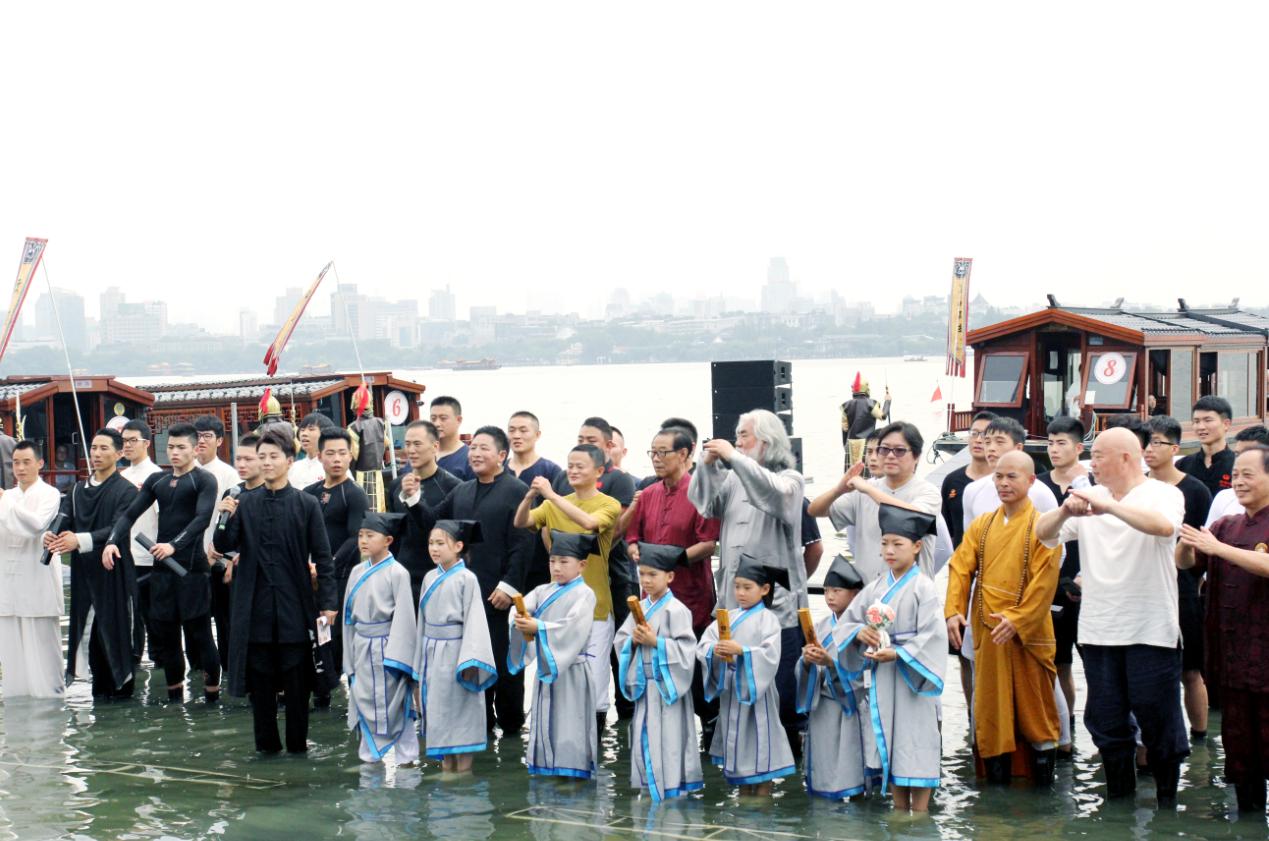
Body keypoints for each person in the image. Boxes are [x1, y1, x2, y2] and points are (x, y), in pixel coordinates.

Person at [1036, 427, 1188, 807]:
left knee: (1159, 722)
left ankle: (1167, 802)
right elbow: (1042, 534)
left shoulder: (1164, 493)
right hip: (1099, 630)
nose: (1092, 462)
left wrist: (1109, 507)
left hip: (1151, 629)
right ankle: (1118, 800)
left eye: (1099, 454)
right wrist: (1063, 510)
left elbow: (1164, 528)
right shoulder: (1090, 495)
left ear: (1126, 457)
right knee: (1106, 721)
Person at [689, 409, 808, 754]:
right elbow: (704, 505)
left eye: (744, 436)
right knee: (734, 683)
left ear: (767, 442)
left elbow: (774, 496)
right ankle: (740, 755)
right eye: (736, 436)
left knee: (781, 693)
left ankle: (787, 757)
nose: (738, 442)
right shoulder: (734, 478)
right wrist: (708, 465)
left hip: (777, 606)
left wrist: (732, 457)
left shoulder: (791, 479)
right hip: (733, 599)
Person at [213, 427, 337, 754]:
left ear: (289, 460)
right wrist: (224, 517)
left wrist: (328, 605)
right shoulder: (244, 502)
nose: (266, 463)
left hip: (295, 609)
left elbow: (324, 558)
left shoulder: (306, 504)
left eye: (272, 457)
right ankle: (266, 753)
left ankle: (298, 751)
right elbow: (223, 544)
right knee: (261, 695)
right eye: (261, 457)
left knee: (298, 693)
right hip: (254, 612)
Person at [406, 425, 534, 737]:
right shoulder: (462, 490)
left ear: (502, 455)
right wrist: (412, 499)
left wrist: (509, 586)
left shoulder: (516, 491)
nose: (475, 454)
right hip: (464, 594)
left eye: (484, 448)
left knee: (504, 664)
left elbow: (524, 544)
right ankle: (482, 724)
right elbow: (434, 526)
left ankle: (513, 725)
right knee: (473, 659)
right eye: (473, 447)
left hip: (498, 595)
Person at [946, 452, 1063, 785]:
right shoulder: (983, 525)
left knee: (1035, 712)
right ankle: (995, 793)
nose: (1003, 483)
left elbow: (1045, 581)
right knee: (990, 712)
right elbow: (960, 566)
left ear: (1031, 481)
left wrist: (1019, 618)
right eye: (998, 477)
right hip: (989, 631)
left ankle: (1043, 790)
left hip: (1028, 634)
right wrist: (954, 610)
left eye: (1012, 477)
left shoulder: (1040, 525)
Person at [1177, 445, 1269, 817]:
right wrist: (1186, 545)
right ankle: (1248, 815)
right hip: (1232, 658)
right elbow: (1187, 562)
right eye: (1238, 474)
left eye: (1250, 474)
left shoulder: (1227, 535)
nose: (1240, 482)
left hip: (1265, 658)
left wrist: (1217, 548)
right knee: (1239, 749)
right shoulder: (1226, 524)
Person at [838, 504, 947, 813]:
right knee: (892, 739)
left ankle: (921, 811)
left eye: (897, 544)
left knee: (916, 737)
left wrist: (898, 653)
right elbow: (848, 622)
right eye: (884, 542)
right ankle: (899, 808)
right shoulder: (876, 586)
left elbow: (933, 636)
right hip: (883, 676)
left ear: (916, 547)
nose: (889, 550)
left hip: (912, 676)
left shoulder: (923, 587)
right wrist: (860, 633)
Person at [104, 423, 220, 704]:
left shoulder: (204, 480)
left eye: (181, 447)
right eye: (171, 447)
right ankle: (175, 700)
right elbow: (129, 515)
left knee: (200, 635)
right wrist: (111, 540)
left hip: (191, 569)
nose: (175, 452)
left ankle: (212, 699)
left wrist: (173, 545)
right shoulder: (158, 481)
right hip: (162, 573)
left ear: (195, 449)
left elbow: (201, 519)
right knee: (167, 639)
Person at [516, 443, 621, 732]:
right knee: (556, 674)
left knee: (595, 679)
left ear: (599, 471)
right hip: (557, 609)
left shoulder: (608, 504)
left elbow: (589, 522)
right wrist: (530, 497)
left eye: (580, 466)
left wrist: (550, 495)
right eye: (569, 466)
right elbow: (522, 521)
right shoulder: (551, 504)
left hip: (596, 607)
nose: (572, 471)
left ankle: (594, 744)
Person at [625, 426, 720, 739]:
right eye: (652, 452)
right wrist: (635, 549)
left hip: (691, 596)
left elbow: (708, 543)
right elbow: (632, 537)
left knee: (689, 662)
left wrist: (671, 561)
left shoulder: (700, 493)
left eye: (663, 452)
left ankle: (708, 722)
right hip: (652, 598)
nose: (656, 459)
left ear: (684, 454)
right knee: (652, 659)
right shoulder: (648, 493)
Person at [47, 429, 139, 700]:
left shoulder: (127, 491)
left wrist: (80, 540)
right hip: (84, 576)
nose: (96, 454)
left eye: (103, 448)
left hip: (115, 575)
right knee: (93, 645)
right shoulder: (77, 490)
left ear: (119, 453)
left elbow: (117, 528)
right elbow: (64, 519)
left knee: (118, 639)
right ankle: (101, 705)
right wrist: (50, 536)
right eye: (94, 448)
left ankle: (124, 706)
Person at [697, 558, 796, 796]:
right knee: (740, 750)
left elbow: (770, 654)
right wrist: (715, 651)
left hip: (757, 692)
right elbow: (704, 645)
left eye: (747, 587)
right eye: (737, 586)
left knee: (761, 749)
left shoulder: (769, 619)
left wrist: (742, 651)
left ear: (764, 589)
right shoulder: (727, 618)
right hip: (732, 693)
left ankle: (762, 796)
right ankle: (743, 794)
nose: (740, 593)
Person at [613, 543, 704, 802]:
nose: (646, 580)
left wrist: (657, 643)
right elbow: (620, 641)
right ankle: (650, 789)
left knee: (670, 742)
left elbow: (688, 650)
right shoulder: (638, 609)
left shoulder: (677, 610)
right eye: (642, 574)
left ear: (670, 577)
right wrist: (632, 641)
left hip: (668, 689)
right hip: (645, 688)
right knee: (646, 739)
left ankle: (673, 790)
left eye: (653, 574)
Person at [508, 530, 600, 781]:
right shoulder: (542, 591)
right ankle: (549, 768)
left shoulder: (585, 594)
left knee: (570, 723)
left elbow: (573, 628)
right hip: (548, 668)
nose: (556, 567)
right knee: (548, 720)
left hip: (573, 670)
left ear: (581, 565)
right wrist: (519, 618)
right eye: (552, 561)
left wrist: (538, 627)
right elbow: (521, 608)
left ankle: (573, 774)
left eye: (564, 562)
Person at [1144, 416, 1212, 743]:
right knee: (1151, 672)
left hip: (1182, 585)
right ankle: (1153, 741)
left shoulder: (1194, 490)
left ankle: (1200, 739)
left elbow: (1199, 544)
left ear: (1174, 447)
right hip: (1142, 587)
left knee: (1191, 670)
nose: (1148, 449)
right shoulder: (1136, 487)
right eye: (1144, 442)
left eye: (1156, 442)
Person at [810, 421, 942, 582]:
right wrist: (838, 490)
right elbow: (814, 510)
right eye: (884, 449)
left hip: (911, 595)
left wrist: (868, 489)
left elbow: (911, 515)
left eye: (899, 451)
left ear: (916, 456)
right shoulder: (863, 490)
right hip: (868, 594)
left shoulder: (927, 491)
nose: (890, 456)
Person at [415, 519, 497, 771]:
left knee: (461, 708)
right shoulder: (429, 577)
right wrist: (418, 664)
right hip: (432, 651)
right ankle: (446, 765)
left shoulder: (466, 578)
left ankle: (463, 769)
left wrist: (471, 660)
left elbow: (475, 621)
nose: (434, 548)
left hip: (457, 652)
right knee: (439, 711)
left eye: (441, 543)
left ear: (459, 546)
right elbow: (422, 623)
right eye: (431, 543)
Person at [342, 511, 418, 765]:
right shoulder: (355, 572)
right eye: (361, 536)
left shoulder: (398, 573)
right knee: (364, 701)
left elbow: (405, 618)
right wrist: (349, 656)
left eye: (370, 536)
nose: (363, 541)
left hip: (388, 648)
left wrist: (401, 661)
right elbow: (348, 619)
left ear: (387, 540)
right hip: (363, 645)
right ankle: (369, 759)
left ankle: (407, 760)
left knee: (398, 705)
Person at [305, 427, 369, 709]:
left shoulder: (353, 494)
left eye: (342, 453)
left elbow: (355, 537)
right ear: (319, 456)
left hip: (341, 576)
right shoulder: (310, 493)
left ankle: (337, 688)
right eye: (330, 453)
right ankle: (319, 689)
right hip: (311, 575)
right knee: (314, 634)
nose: (336, 459)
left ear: (351, 456)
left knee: (336, 636)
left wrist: (326, 566)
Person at [795, 554, 867, 800]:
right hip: (822, 704)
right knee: (823, 764)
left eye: (837, 590)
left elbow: (862, 673)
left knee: (849, 762)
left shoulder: (862, 629)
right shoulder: (821, 626)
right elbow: (804, 670)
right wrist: (806, 661)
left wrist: (831, 665)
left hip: (847, 706)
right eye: (826, 591)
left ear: (855, 594)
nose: (829, 597)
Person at [0, 441, 65, 698]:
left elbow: (36, 525)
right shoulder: (9, 496)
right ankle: (16, 705)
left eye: (27, 462)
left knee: (44, 653)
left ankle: (51, 702)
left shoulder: (49, 494)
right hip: (7, 581)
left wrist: (4, 502)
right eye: (16, 462)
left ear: (40, 463)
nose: (21, 468)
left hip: (37, 579)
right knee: (11, 655)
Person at [1036, 416, 1090, 725]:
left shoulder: (1092, 484)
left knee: (1094, 662)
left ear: (1078, 447)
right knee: (1059, 661)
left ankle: (1099, 728)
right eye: (1050, 443)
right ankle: (1064, 721)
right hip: (1049, 580)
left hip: (1086, 581)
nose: (1054, 449)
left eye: (1061, 443)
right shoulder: (1039, 482)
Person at [386, 420, 462, 603]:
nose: (411, 450)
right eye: (408, 444)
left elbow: (437, 528)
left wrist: (413, 499)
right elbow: (393, 533)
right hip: (402, 574)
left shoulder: (453, 486)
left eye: (417, 444)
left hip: (438, 576)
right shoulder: (396, 485)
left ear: (435, 446)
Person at [193, 415, 242, 674]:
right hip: (190, 558)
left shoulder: (228, 474)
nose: (200, 441)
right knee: (195, 620)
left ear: (220, 441)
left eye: (207, 436)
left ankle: (228, 669)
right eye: (197, 436)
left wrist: (219, 553)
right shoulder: (186, 472)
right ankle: (200, 670)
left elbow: (230, 521)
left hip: (217, 558)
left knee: (224, 621)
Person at [120, 420, 162, 666]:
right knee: (128, 617)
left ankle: (160, 662)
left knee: (153, 616)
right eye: (123, 441)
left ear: (146, 443)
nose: (127, 445)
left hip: (149, 558)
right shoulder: (121, 476)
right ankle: (133, 659)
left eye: (132, 440)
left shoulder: (155, 476)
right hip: (125, 556)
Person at [506, 410, 563, 593]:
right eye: (512, 430)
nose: (516, 435)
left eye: (523, 430)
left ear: (537, 435)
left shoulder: (551, 470)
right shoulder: (499, 471)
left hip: (538, 560)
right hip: (505, 557)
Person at [941, 412, 997, 548]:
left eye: (984, 435)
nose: (978, 440)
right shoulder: (952, 480)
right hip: (961, 561)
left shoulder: (1002, 481)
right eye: (974, 433)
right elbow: (947, 531)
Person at [1205, 425, 1269, 528]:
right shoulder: (1224, 498)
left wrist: (1216, 545)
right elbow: (1205, 541)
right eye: (1237, 454)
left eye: (1247, 453)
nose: (1241, 459)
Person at [1177, 396, 1235, 498]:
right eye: (1196, 421)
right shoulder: (1183, 465)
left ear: (1226, 424)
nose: (1201, 427)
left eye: (1208, 420)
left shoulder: (1237, 464)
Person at [841, 375, 890, 470]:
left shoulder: (845, 406)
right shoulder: (870, 404)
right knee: (867, 475)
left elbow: (844, 429)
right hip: (866, 444)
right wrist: (888, 401)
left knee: (851, 475)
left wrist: (845, 445)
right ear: (866, 388)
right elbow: (883, 416)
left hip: (850, 444)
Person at [430, 396, 474, 481]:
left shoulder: (470, 458)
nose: (437, 424)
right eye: (433, 419)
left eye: (443, 418)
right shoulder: (423, 453)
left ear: (459, 420)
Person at [290, 412, 334, 489]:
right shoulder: (294, 467)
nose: (304, 434)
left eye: (311, 429)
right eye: (302, 430)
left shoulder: (334, 467)